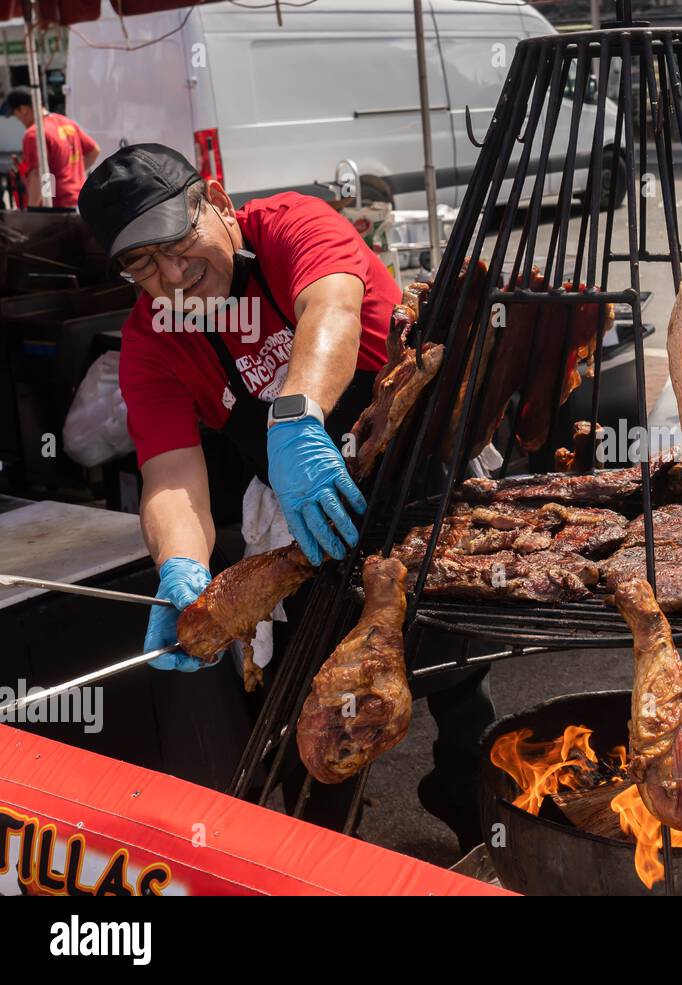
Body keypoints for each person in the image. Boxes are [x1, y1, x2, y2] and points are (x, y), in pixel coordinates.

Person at [77, 145, 493, 845]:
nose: (174, 277)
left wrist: (296, 423)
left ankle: (474, 801)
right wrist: (181, 567)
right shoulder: (152, 342)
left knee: (456, 661)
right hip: (308, 519)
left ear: (215, 197)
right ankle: (315, 850)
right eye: (142, 265)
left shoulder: (291, 225)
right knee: (313, 692)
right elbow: (171, 476)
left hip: (416, 472)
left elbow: (330, 305)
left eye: (180, 244)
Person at [0, 86, 98, 208]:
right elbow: (94, 150)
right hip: (80, 200)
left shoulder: (34, 134)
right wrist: (70, 175)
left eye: (16, 115)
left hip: (57, 205)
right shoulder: (66, 122)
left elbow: (37, 175)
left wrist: (33, 211)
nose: (19, 120)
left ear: (23, 109)